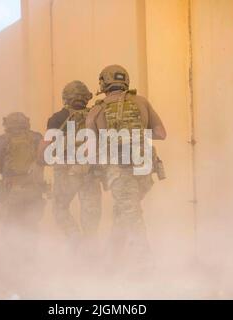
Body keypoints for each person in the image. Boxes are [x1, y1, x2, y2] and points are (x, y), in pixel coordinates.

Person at [86, 65, 167, 269]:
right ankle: (111, 262)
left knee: (131, 215)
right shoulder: (141, 102)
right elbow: (161, 133)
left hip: (119, 170)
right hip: (145, 168)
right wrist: (137, 135)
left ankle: (146, 264)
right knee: (122, 213)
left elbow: (91, 150)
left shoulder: (97, 110)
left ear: (104, 83)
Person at [40, 81, 102, 250]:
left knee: (60, 208)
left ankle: (74, 236)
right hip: (91, 172)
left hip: (66, 173)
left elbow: (45, 147)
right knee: (91, 216)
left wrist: (42, 160)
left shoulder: (57, 118)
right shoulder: (95, 115)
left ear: (65, 98)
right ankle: (91, 253)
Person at [0, 112, 46, 240]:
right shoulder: (37, 138)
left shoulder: (3, 141)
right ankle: (32, 256)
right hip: (33, 190)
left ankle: (12, 256)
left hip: (11, 191)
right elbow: (46, 158)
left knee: (10, 226)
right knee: (31, 224)